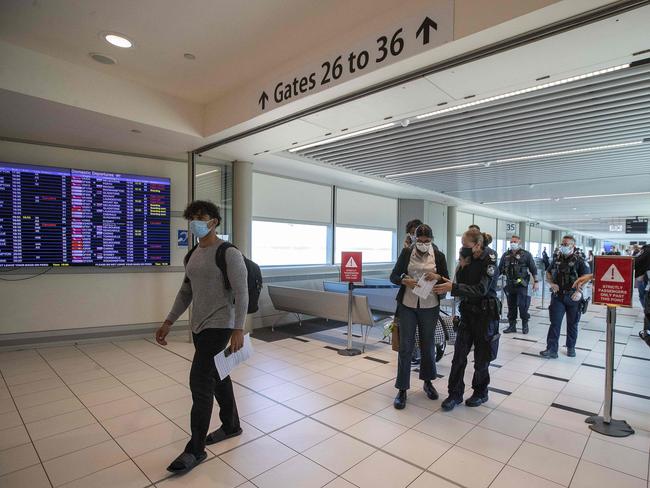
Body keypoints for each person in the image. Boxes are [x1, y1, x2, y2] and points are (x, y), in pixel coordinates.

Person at [156, 200, 248, 474]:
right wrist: (169, 321)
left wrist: (239, 328)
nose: (196, 221)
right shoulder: (192, 255)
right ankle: (231, 425)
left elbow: (241, 292)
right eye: (193, 217)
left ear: (214, 221)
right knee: (218, 374)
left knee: (200, 382)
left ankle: (195, 449)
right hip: (198, 326)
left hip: (220, 326)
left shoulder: (228, 253)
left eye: (202, 217)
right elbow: (186, 292)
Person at [433, 228, 500, 411]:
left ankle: (480, 392)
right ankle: (454, 395)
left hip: (486, 315)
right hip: (468, 313)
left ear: (477, 244)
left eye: (465, 244)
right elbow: (459, 284)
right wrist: (458, 269)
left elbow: (481, 289)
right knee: (459, 356)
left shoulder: (490, 259)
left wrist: (454, 286)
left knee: (481, 358)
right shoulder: (465, 258)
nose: (462, 248)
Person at [390, 224, 449, 409]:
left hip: (429, 304)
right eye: (420, 240)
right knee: (406, 346)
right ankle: (402, 389)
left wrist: (437, 275)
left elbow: (446, 279)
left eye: (427, 241)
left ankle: (428, 382)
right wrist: (402, 280)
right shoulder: (407, 253)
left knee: (428, 344)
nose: (423, 244)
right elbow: (393, 276)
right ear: (415, 239)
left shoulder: (439, 256)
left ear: (432, 240)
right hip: (408, 303)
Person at [540, 235, 589, 359]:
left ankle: (571, 347)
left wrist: (580, 291)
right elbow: (548, 272)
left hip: (573, 297)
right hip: (558, 296)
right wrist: (551, 283)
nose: (563, 246)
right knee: (555, 323)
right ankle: (551, 349)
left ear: (573, 246)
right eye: (562, 244)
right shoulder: (557, 258)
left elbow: (587, 277)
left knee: (572, 324)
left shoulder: (580, 260)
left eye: (566, 244)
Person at [499, 235, 538, 334]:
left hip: (522, 284)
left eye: (515, 241)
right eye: (511, 241)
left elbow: (533, 269)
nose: (513, 243)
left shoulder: (526, 255)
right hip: (510, 284)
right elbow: (499, 270)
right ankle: (512, 326)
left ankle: (525, 324)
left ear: (519, 243)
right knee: (511, 306)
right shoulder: (505, 255)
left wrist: (536, 282)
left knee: (523, 306)